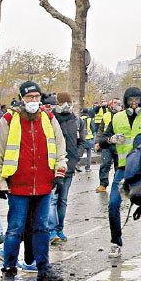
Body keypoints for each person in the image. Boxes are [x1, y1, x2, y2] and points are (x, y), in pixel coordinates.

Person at [0, 81, 67, 281]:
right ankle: (8, 269)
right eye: (29, 97)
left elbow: (60, 148)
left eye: (36, 97)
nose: (33, 101)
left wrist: (59, 172)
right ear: (22, 98)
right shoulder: (8, 119)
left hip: (43, 183)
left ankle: (43, 268)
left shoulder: (49, 119)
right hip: (18, 185)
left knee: (42, 228)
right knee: (15, 228)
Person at [99, 86, 141, 258]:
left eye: (136, 100)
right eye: (130, 100)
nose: (134, 103)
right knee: (113, 204)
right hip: (123, 168)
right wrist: (110, 139)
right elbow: (101, 140)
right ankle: (116, 242)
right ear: (125, 102)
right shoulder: (117, 118)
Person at [49, 92, 82, 245]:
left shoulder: (76, 120)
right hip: (54, 166)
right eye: (63, 102)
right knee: (53, 200)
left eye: (68, 102)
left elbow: (81, 141)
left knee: (62, 200)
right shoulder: (50, 119)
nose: (66, 105)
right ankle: (52, 230)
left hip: (69, 166)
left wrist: (76, 158)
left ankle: (59, 228)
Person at [93, 99, 116, 192]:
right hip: (106, 143)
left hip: (118, 144)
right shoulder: (106, 116)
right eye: (114, 103)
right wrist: (98, 142)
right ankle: (103, 184)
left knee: (119, 166)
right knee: (105, 164)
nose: (115, 105)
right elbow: (101, 130)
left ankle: (119, 184)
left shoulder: (123, 115)